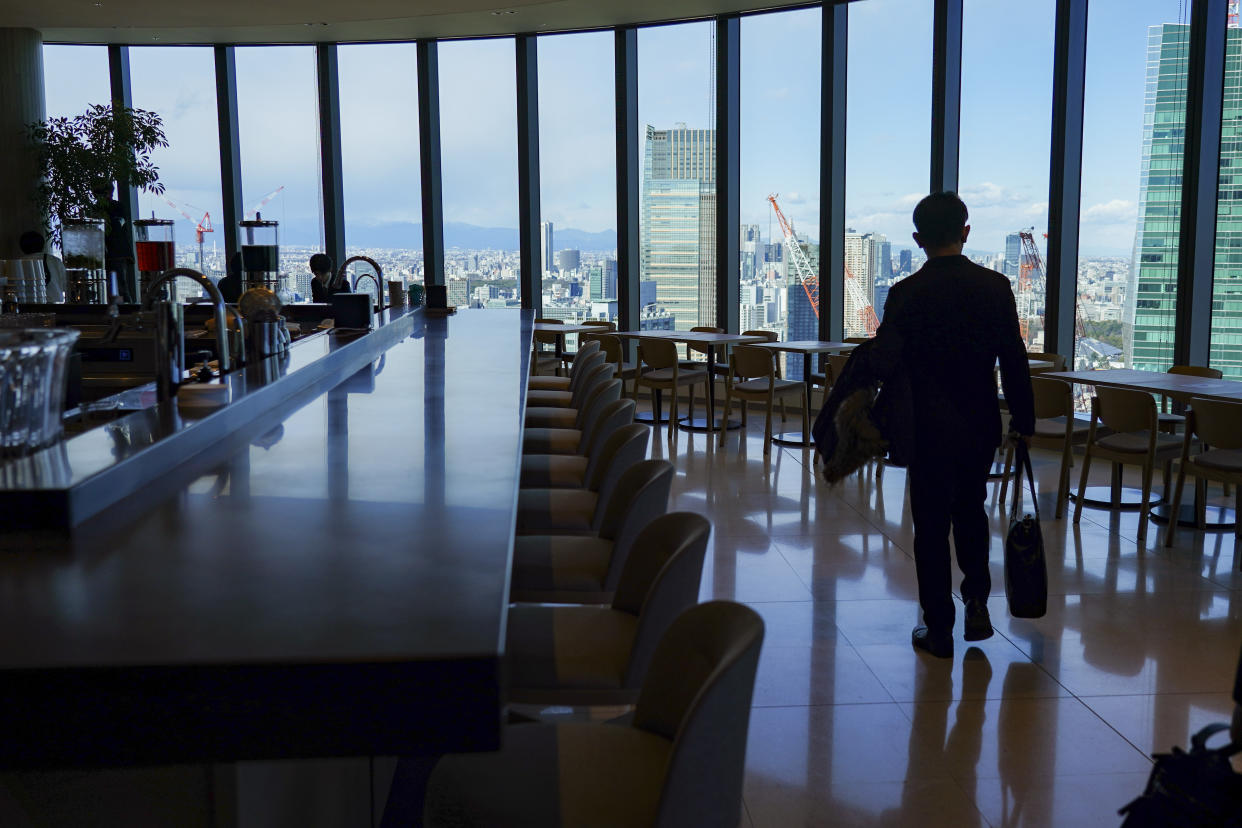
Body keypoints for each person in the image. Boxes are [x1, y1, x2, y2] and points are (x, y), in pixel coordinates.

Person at [877, 191, 1035, 659]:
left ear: (918, 239)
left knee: (928, 525)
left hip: (925, 426)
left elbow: (887, 362)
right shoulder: (994, 287)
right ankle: (977, 601)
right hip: (978, 420)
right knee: (970, 510)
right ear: (966, 232)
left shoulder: (904, 294)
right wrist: (1023, 419)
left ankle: (938, 629)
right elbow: (1013, 358)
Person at [19, 230, 67, 303]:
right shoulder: (55, 261)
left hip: (27, 306)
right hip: (55, 304)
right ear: (42, 244)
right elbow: (65, 286)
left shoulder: (17, 263)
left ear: (22, 246)